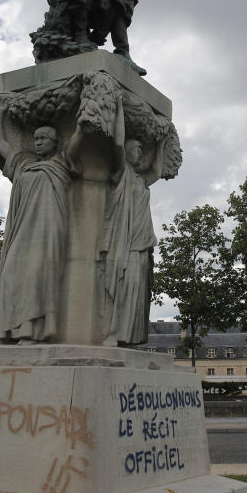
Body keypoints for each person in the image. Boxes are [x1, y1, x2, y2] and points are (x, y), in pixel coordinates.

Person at [0, 101, 82, 343]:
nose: (38, 141)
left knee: (37, 278)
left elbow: (80, 137)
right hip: (21, 230)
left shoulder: (62, 163)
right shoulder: (23, 163)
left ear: (56, 142)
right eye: (36, 138)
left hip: (49, 229)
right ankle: (6, 332)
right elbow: (0, 142)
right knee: (10, 275)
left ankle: (32, 333)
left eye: (44, 138)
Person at [99, 98, 160, 345]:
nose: (140, 154)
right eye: (137, 150)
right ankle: (114, 334)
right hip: (124, 241)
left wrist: (162, 141)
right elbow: (117, 144)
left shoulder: (140, 180)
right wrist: (119, 110)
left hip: (141, 242)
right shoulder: (121, 172)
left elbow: (155, 171)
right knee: (123, 288)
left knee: (137, 293)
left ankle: (130, 337)